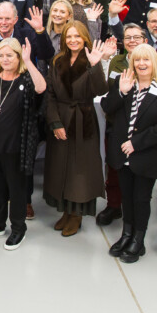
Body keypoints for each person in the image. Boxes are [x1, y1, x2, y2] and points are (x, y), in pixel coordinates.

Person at [100, 45, 157, 263]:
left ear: (155, 61)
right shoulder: (125, 83)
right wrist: (121, 92)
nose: (141, 64)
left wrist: (136, 143)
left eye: (146, 60)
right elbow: (107, 107)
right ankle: (126, 234)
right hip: (122, 154)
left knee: (141, 198)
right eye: (137, 60)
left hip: (147, 153)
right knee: (127, 197)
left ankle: (138, 239)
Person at [0, 38, 45, 250]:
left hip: (15, 147)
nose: (5, 59)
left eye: (10, 55)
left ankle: (17, 228)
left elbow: (42, 89)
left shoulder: (26, 79)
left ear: (18, 56)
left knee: (17, 190)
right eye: (1, 55)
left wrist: (28, 61)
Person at [43, 21, 114, 237]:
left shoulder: (91, 59)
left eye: (77, 36)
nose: (73, 40)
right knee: (60, 166)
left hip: (83, 121)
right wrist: (55, 123)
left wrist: (96, 65)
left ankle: (77, 215)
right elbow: (51, 95)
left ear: (84, 38)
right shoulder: (57, 60)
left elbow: (101, 89)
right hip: (61, 117)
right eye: (69, 36)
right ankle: (65, 211)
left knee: (79, 170)